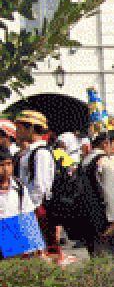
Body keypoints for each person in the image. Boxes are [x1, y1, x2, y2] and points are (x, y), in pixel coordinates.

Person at [14, 110, 66, 264]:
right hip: (28, 211)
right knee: (24, 258)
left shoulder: (41, 153)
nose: (16, 132)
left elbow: (40, 188)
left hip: (36, 212)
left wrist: (26, 213)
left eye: (19, 128)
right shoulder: (27, 153)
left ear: (30, 128)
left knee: (42, 258)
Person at [78, 130, 114, 258]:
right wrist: (113, 221)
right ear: (106, 144)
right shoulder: (106, 161)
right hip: (109, 217)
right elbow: (111, 193)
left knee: (99, 256)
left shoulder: (85, 161)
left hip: (91, 216)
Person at [0, 146, 46, 260]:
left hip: (13, 245)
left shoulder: (19, 187)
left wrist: (37, 248)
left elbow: (28, 216)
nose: (6, 169)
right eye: (1, 165)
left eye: (9, 164)